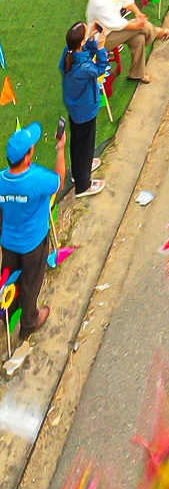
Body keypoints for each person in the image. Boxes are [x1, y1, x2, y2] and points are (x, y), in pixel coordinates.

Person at [0, 123, 66, 341]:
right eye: (32, 147)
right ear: (28, 156)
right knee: (30, 283)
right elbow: (59, 181)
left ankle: (6, 314)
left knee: (7, 282)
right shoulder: (37, 178)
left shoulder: (2, 179)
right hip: (33, 245)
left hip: (8, 243)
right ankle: (29, 324)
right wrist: (60, 150)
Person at [86, 0, 169, 83]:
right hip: (103, 38)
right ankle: (156, 32)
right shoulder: (98, 2)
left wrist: (137, 13)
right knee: (139, 29)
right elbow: (115, 24)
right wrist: (137, 25)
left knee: (139, 38)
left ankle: (137, 74)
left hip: (115, 28)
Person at [59, 22, 109, 198]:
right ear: (80, 43)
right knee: (85, 145)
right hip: (86, 110)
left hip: (76, 108)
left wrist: (90, 37)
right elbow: (100, 68)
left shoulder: (69, 52)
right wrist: (101, 47)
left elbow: (84, 50)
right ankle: (83, 185)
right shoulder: (84, 67)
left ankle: (80, 170)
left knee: (78, 143)